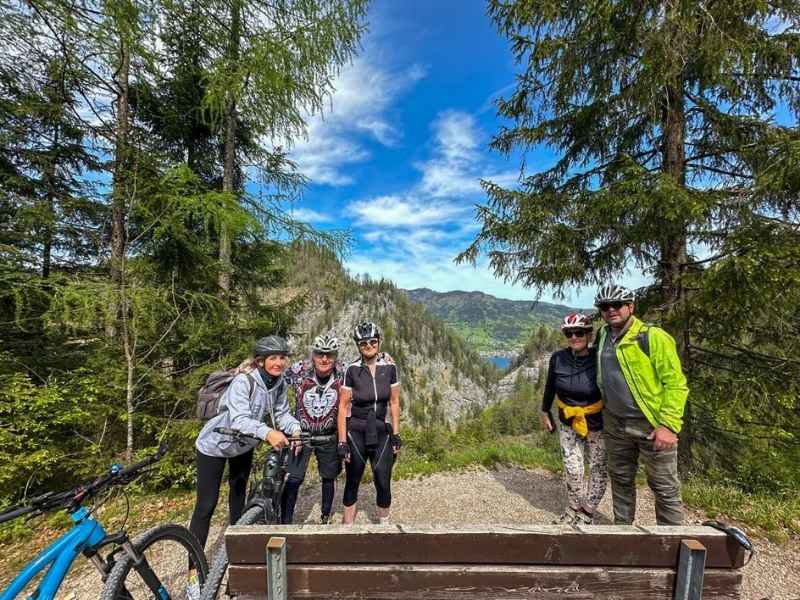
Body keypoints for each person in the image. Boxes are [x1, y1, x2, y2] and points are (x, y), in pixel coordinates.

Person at [187, 335, 300, 598]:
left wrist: (294, 428)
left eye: (282, 357)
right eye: (273, 358)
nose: (278, 362)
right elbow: (239, 419)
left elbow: (281, 413)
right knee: (206, 506)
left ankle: (236, 561)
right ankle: (193, 574)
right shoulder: (244, 382)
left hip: (243, 447)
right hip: (213, 445)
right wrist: (268, 433)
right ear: (261, 361)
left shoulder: (279, 383)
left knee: (238, 501)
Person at [594, 284, 689, 526]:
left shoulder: (651, 337)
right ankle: (623, 532)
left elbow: (676, 383)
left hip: (651, 424)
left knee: (664, 486)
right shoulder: (603, 335)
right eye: (605, 306)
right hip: (615, 423)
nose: (611, 310)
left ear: (631, 307)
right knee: (620, 479)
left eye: (617, 304)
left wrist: (668, 425)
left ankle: (671, 543)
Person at [541, 313, 608, 525]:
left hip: (597, 422)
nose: (574, 337)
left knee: (598, 466)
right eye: (569, 333)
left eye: (579, 332)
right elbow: (550, 386)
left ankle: (587, 513)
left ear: (589, 334)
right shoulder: (558, 358)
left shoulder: (599, 358)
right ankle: (573, 508)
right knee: (572, 468)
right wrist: (545, 411)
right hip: (567, 420)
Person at [337, 321, 401, 525]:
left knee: (383, 480)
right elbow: (343, 406)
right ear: (358, 346)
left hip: (381, 430)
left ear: (379, 342)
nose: (369, 346)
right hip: (356, 431)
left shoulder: (390, 367)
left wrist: (396, 434)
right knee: (352, 481)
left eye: (373, 341)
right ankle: (347, 529)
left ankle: (384, 525)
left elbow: (394, 401)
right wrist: (341, 441)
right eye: (363, 343)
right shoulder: (352, 370)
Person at [280, 334, 344, 525]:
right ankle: (285, 520)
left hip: (329, 435)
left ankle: (325, 516)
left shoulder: (343, 372)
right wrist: (251, 365)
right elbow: (275, 374)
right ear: (313, 355)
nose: (324, 359)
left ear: (335, 356)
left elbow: (364, 365)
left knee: (328, 477)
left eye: (329, 355)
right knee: (294, 477)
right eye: (320, 354)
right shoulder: (299, 370)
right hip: (302, 434)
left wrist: (381, 357)